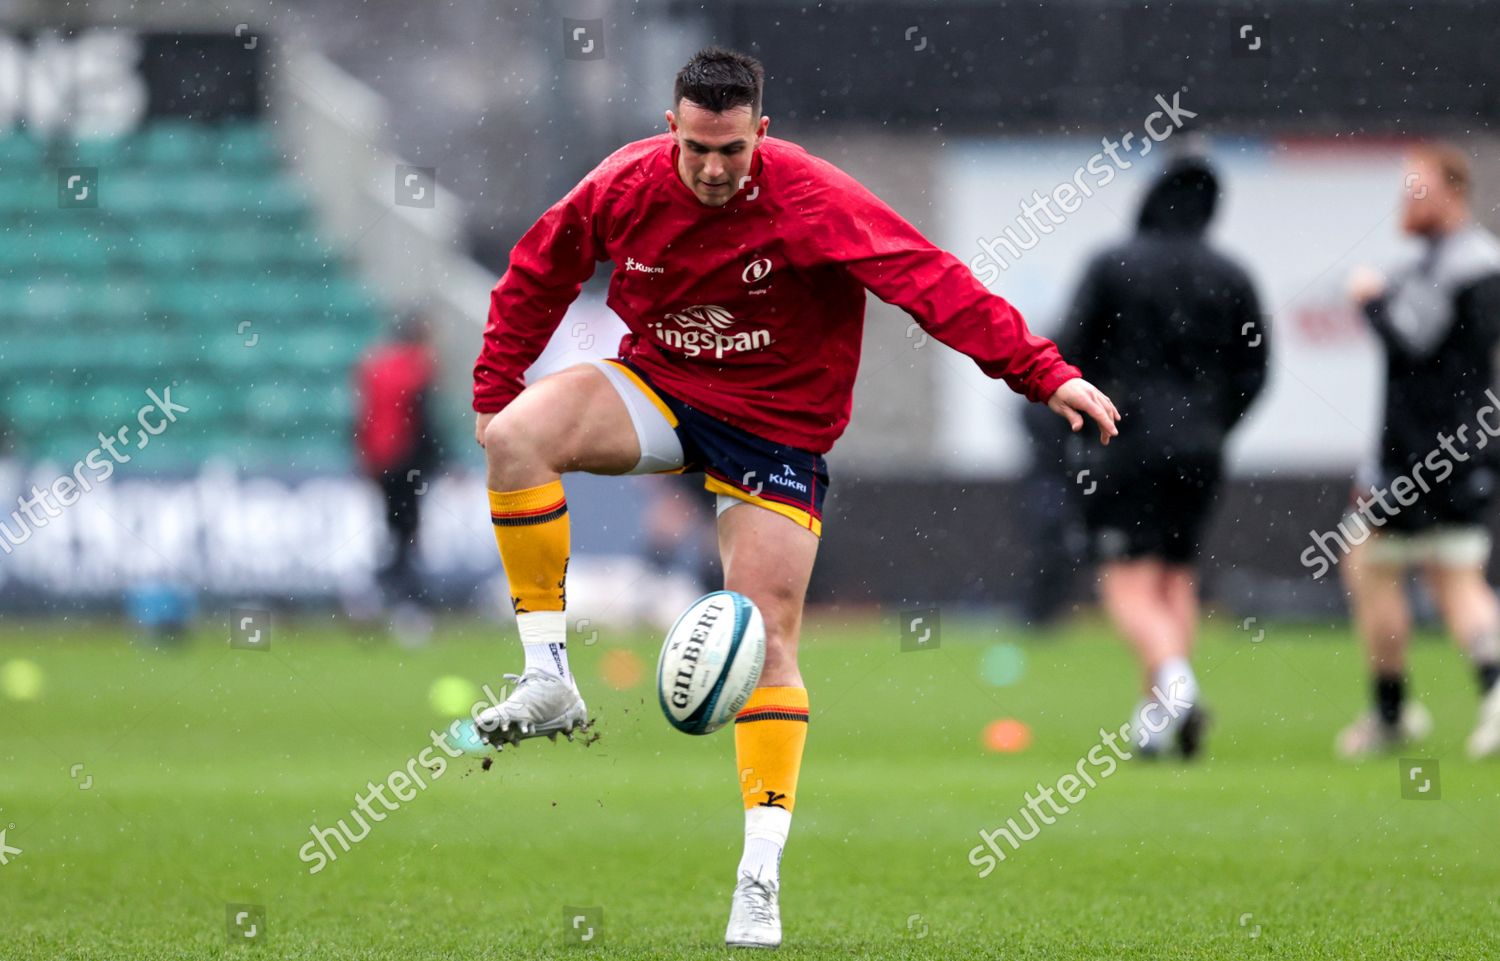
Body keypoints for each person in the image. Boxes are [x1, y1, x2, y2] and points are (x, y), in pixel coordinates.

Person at [468, 47, 1119, 948]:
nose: (711, 167)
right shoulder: (624, 184)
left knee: (770, 634)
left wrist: (1042, 372)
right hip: (661, 389)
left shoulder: (814, 197)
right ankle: (548, 679)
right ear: (671, 130)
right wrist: (495, 387)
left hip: (777, 428)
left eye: (730, 150)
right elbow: (539, 267)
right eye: (696, 146)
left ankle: (758, 878)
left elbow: (931, 281)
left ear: (760, 136)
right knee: (515, 438)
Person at [1059, 155, 1267, 760]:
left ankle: (1177, 688)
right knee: (1175, 579)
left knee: (1126, 581)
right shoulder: (1232, 274)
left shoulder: (1113, 264)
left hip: (1124, 442)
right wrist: (1213, 423)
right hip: (1201, 450)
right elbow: (1257, 369)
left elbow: (1070, 347)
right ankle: (1155, 724)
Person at [1337, 143, 1500, 760]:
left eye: (1418, 186)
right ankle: (1489, 693)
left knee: (1369, 564)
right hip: (1464, 449)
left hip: (1421, 456)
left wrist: (1369, 300)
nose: (1407, 198)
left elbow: (1412, 341)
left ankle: (1391, 712)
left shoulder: (1459, 262)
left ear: (1454, 190)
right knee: (1455, 574)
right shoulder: (1463, 259)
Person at [353, 312, 443, 631]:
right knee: (407, 534)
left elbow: (362, 416)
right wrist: (438, 462)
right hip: (409, 465)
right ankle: (405, 604)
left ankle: (376, 598)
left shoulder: (376, 366)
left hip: (382, 463)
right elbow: (424, 421)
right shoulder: (416, 368)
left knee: (392, 531)